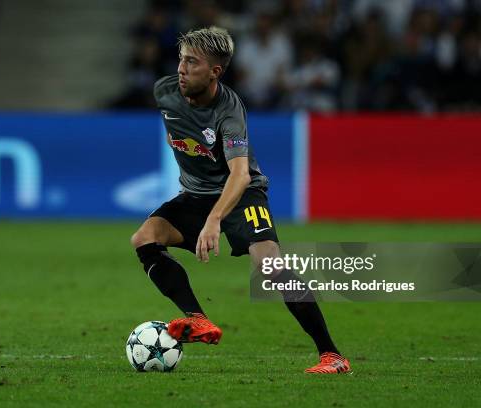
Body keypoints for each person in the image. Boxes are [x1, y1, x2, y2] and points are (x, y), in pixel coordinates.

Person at [130, 26, 351, 374]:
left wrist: (215, 220)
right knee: (144, 239)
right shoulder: (165, 92)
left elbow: (240, 175)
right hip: (195, 194)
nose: (181, 69)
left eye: (192, 62)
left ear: (215, 72)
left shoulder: (229, 111)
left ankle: (332, 355)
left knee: (270, 265)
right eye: (181, 60)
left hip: (242, 194)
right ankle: (197, 318)